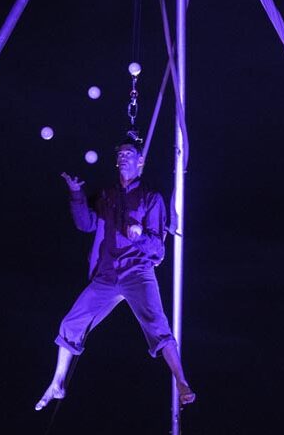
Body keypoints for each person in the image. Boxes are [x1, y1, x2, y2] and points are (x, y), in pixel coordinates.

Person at [35, 141, 196, 411]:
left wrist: (139, 236)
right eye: (120, 154)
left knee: (157, 325)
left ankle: (181, 381)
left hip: (137, 272)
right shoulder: (106, 195)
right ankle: (57, 384)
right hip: (107, 275)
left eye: (129, 154)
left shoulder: (150, 197)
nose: (123, 158)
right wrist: (76, 193)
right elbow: (85, 224)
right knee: (71, 323)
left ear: (140, 161)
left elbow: (158, 248)